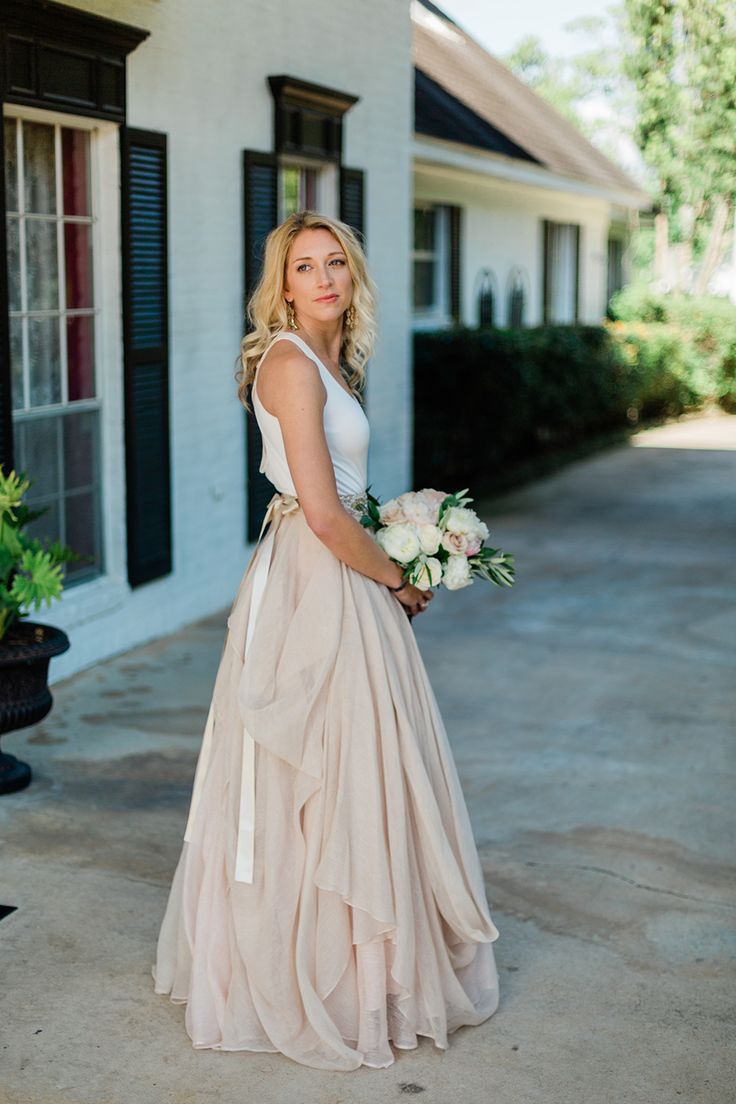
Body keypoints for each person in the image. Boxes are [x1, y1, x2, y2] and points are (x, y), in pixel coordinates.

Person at [152, 210, 500, 1070]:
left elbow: (344, 496)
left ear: (353, 276)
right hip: (315, 579)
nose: (323, 279)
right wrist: (396, 575)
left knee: (362, 767)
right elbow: (320, 510)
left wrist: (400, 540)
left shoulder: (333, 361)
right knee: (316, 770)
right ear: (281, 286)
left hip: (336, 567)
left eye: (335, 262)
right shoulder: (288, 364)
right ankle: (311, 974)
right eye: (303, 266)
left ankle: (359, 968)